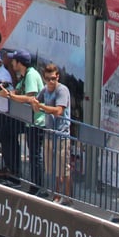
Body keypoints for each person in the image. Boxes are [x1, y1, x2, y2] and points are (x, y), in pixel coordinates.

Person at [0, 48, 46, 192]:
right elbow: (18, 92)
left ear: (20, 63)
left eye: (14, 60)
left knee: (34, 154)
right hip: (25, 119)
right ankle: (14, 172)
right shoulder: (24, 76)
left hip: (35, 121)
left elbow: (30, 97)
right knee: (6, 132)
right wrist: (4, 90)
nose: (12, 62)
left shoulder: (31, 75)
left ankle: (37, 187)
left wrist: (9, 96)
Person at [32, 62, 72, 203]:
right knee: (53, 168)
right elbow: (33, 101)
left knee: (64, 169)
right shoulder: (45, 90)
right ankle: (57, 194)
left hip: (62, 134)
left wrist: (40, 106)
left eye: (53, 78)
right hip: (49, 133)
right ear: (44, 78)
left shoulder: (62, 90)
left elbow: (59, 111)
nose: (51, 81)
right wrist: (10, 95)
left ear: (58, 77)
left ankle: (67, 198)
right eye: (48, 79)